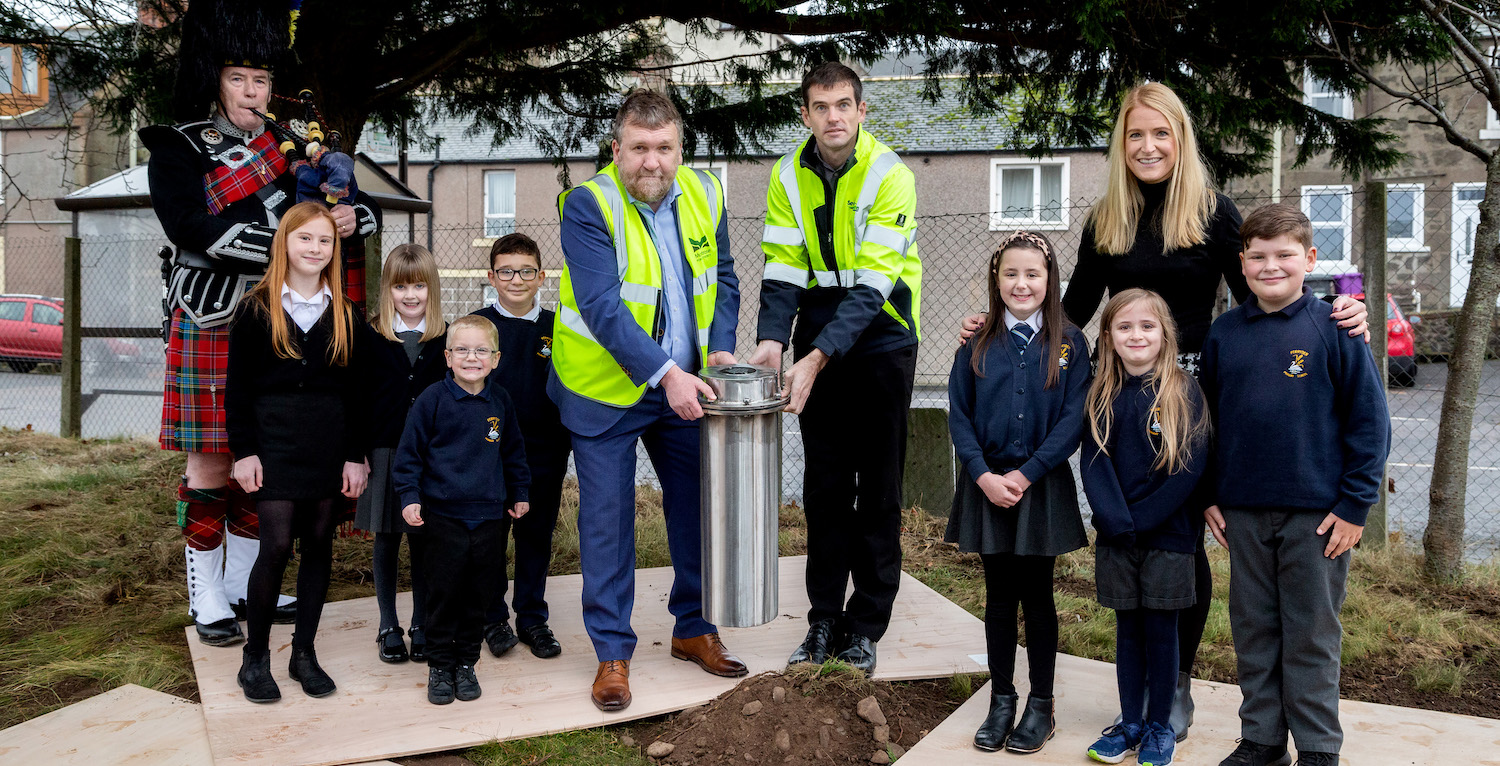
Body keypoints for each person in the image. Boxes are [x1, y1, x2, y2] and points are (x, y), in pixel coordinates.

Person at [959, 82, 1367, 738]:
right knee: (1131, 538)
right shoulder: (1106, 219)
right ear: (1122, 144)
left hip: (1196, 395)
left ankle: (1173, 689)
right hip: (1125, 390)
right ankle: (1136, 689)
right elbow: (1078, 309)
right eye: (1135, 135)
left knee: (1185, 543)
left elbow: (1265, 295)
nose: (1148, 146)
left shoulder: (1214, 212)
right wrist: (1000, 321)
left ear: (1181, 140)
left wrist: (1339, 310)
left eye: (1161, 134)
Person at [140, 0, 380, 648]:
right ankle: (206, 594)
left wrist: (355, 219)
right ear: (213, 79)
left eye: (262, 80)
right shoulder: (178, 145)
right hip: (213, 316)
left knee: (265, 462)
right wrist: (283, 238)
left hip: (281, 324)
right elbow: (190, 227)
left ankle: (252, 589)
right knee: (214, 466)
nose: (254, 91)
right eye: (240, 78)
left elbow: (355, 211)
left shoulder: (294, 148)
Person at [551, 89, 744, 712]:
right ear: (616, 149)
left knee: (696, 511)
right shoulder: (588, 205)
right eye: (639, 149)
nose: (652, 163)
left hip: (686, 384)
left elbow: (727, 277)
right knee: (608, 522)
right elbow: (604, 309)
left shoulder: (707, 194)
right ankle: (613, 652)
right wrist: (668, 376)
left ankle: (693, 628)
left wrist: (718, 347)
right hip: (607, 391)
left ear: (680, 150)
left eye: (664, 148)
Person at [747, 62, 922, 675]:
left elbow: (874, 287)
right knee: (824, 491)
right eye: (820, 107)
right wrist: (773, 342)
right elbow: (784, 264)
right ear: (805, 114)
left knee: (877, 491)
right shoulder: (786, 175)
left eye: (844, 105)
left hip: (881, 336)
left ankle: (866, 625)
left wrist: (815, 358)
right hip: (817, 330)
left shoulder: (891, 175)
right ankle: (823, 620)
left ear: (862, 110)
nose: (833, 118)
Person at [1200, 203, 1389, 766]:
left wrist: (1355, 506)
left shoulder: (1335, 326)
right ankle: (1261, 739)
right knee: (1254, 629)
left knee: (1310, 633)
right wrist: (1209, 492)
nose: (1270, 266)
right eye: (1257, 257)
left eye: (1284, 255)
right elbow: (1206, 420)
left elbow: (1369, 422)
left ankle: (1316, 747)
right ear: (1242, 262)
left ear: (1309, 259)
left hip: (1319, 517)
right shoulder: (1225, 334)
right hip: (1243, 513)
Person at [946, 231, 1091, 755]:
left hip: (1040, 485)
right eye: (1011, 273)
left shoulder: (1071, 344)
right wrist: (983, 475)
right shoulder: (977, 340)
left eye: (1033, 273)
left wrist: (1027, 474)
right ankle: (1001, 699)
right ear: (996, 279)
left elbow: (1074, 419)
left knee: (1039, 596)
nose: (1021, 283)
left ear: (1050, 280)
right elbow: (958, 415)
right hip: (988, 485)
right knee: (999, 596)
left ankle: (1041, 704)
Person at [227, 202, 373, 703]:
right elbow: (237, 390)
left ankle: (304, 653)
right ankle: (255, 658)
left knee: (318, 545)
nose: (315, 249)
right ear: (285, 243)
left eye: (325, 241)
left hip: (329, 446)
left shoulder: (348, 313)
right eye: (305, 239)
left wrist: (356, 456)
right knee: (275, 546)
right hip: (273, 445)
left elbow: (358, 394)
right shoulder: (255, 308)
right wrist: (244, 452)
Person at [1082, 289, 1211, 766]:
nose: (1136, 335)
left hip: (1170, 537)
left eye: (1147, 326)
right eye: (1124, 327)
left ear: (1164, 334)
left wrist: (1142, 520)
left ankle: (1160, 727)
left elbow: (1190, 467)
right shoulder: (1101, 391)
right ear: (1110, 337)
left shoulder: (1183, 389)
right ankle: (1129, 723)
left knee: (1162, 631)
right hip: (1118, 536)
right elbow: (1094, 463)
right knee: (1128, 631)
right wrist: (1116, 521)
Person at [394, 315, 532, 705]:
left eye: (481, 350)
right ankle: (439, 665)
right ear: (448, 356)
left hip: (489, 516)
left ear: (496, 358)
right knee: (444, 592)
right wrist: (410, 497)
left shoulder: (500, 401)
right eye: (463, 350)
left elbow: (513, 453)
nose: (472, 357)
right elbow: (409, 458)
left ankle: (465, 663)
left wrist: (519, 491)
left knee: (479, 593)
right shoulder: (432, 401)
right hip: (442, 516)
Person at [470, 233, 572, 660]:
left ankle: (531, 617)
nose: (517, 279)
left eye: (526, 271)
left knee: (535, 535)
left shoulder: (559, 328)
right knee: (491, 536)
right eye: (507, 271)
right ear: (492, 276)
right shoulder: (476, 327)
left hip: (545, 451)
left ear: (541, 276)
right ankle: (492, 617)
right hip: (489, 454)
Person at [354, 244, 448, 664]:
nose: (410, 295)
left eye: (419, 286)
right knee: (387, 537)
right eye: (400, 286)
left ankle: (421, 623)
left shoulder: (447, 339)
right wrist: (356, 453)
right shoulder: (370, 336)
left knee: (424, 541)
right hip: (384, 451)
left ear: (432, 289)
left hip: (431, 458)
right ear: (387, 290)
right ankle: (387, 623)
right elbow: (353, 400)